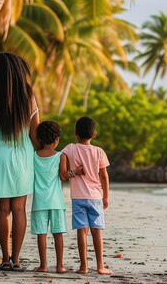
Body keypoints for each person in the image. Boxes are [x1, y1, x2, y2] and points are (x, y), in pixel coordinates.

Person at [0, 52, 39, 270]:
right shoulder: (28, 96)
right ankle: (16, 260)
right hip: (23, 155)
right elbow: (35, 135)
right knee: (19, 210)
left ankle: (5, 258)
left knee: (3, 210)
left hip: (1, 153)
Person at [62, 116, 112, 275]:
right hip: (96, 197)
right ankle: (100, 266)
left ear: (75, 133)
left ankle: (83, 267)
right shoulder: (99, 152)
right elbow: (104, 176)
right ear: (95, 134)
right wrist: (106, 196)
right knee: (97, 230)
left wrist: (74, 172)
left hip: (78, 197)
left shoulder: (69, 149)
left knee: (81, 231)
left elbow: (63, 173)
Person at [32, 121, 82, 274]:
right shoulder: (60, 156)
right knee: (58, 234)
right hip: (56, 201)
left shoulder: (33, 156)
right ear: (57, 139)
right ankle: (60, 266)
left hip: (39, 201)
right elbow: (63, 176)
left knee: (42, 234)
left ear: (40, 139)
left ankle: (43, 265)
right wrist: (76, 172)